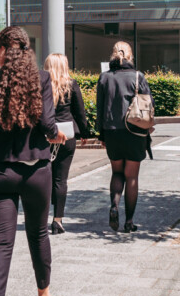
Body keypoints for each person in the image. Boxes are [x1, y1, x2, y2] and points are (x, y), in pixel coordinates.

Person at [0, 26, 66, 296]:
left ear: (0, 50)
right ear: (26, 50)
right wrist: (57, 135)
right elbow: (46, 124)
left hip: (0, 173)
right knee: (38, 233)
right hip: (36, 170)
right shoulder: (40, 79)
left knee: (2, 243)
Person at [96, 41, 152, 233]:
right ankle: (129, 222)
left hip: (112, 131)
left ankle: (114, 205)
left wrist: (101, 134)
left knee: (117, 173)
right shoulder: (138, 76)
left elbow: (100, 108)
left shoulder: (104, 78)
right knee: (132, 176)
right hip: (135, 131)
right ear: (130, 55)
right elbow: (148, 105)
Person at [43, 53, 90, 235]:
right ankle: (57, 221)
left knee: (44, 179)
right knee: (60, 179)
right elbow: (80, 112)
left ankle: (41, 218)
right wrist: (84, 133)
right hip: (67, 137)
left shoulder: (41, 85)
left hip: (45, 137)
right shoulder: (71, 84)